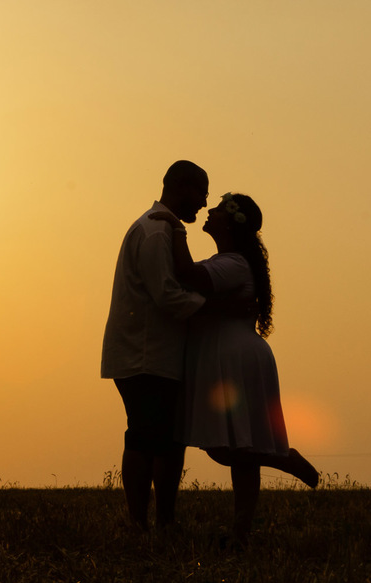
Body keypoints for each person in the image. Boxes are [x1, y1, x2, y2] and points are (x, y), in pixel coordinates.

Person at [150, 193, 319, 547]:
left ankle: (276, 468)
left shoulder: (234, 263)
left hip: (232, 357)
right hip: (230, 354)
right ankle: (252, 508)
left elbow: (190, 275)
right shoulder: (230, 261)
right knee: (230, 447)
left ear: (230, 221)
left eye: (217, 209)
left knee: (233, 447)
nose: (209, 211)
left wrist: (176, 231)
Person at [101, 160, 209, 532]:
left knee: (164, 438)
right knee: (147, 436)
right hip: (145, 353)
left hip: (152, 353)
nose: (204, 203)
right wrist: (212, 309)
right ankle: (139, 522)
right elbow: (166, 295)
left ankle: (160, 521)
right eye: (201, 193)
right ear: (179, 186)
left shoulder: (161, 230)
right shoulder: (156, 233)